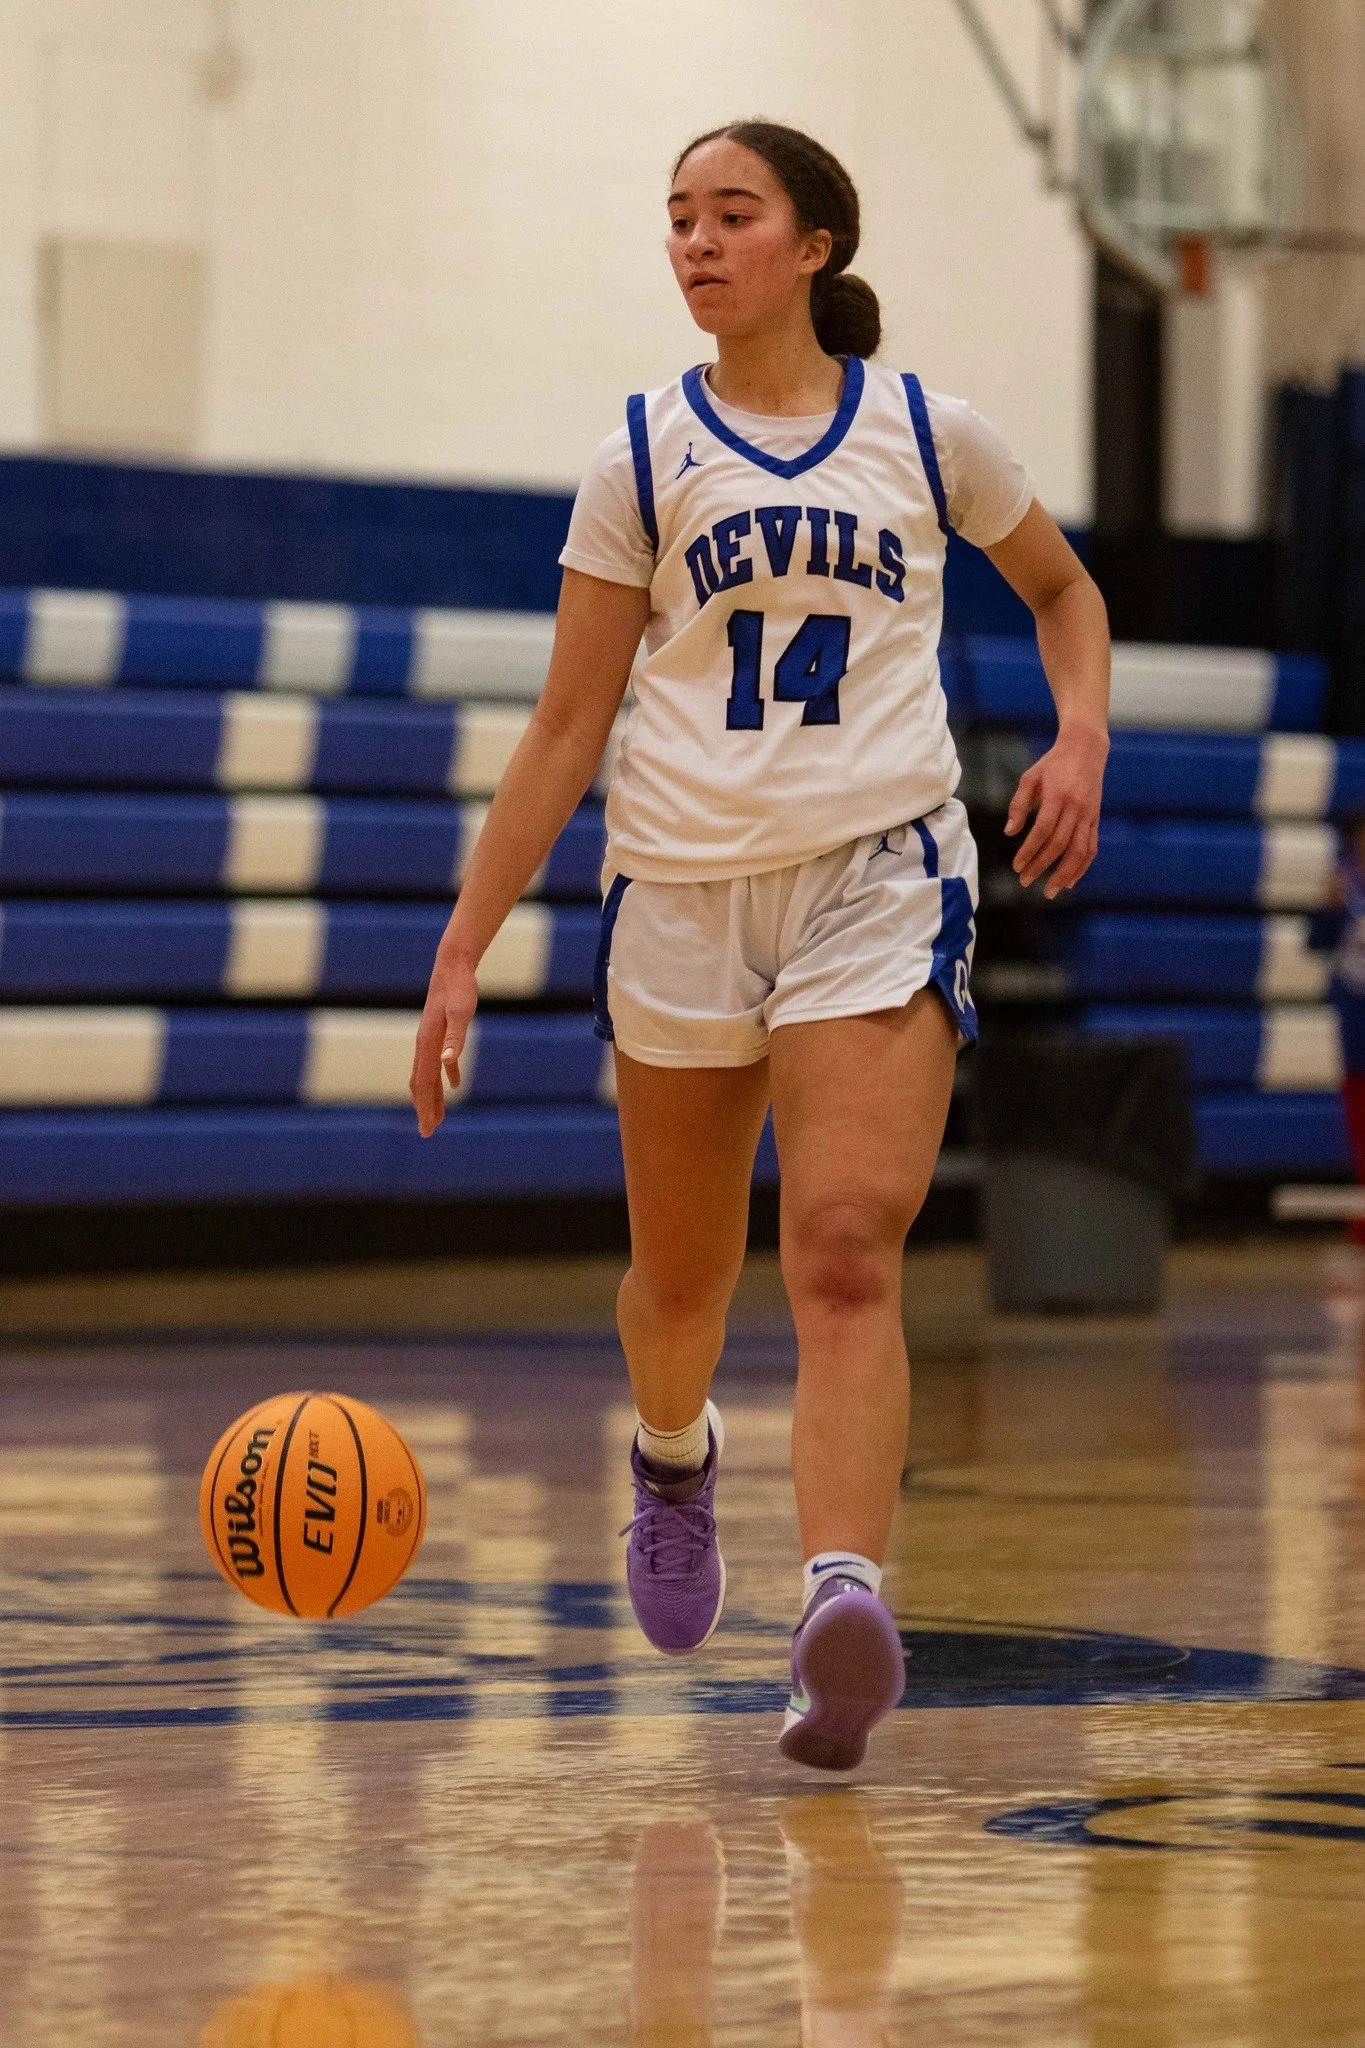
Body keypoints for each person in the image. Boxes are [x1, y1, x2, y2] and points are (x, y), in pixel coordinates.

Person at [411, 119, 1110, 1770]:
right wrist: (459, 949)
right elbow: (568, 723)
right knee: (680, 1282)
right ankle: (671, 1459)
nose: (697, 243)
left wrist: (1078, 735)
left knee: (850, 1250)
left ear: (814, 246)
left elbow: (1063, 593)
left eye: (733, 214)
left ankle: (839, 1609)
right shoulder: (641, 458)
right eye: (677, 221)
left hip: (878, 871)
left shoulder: (933, 435)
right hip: (678, 892)